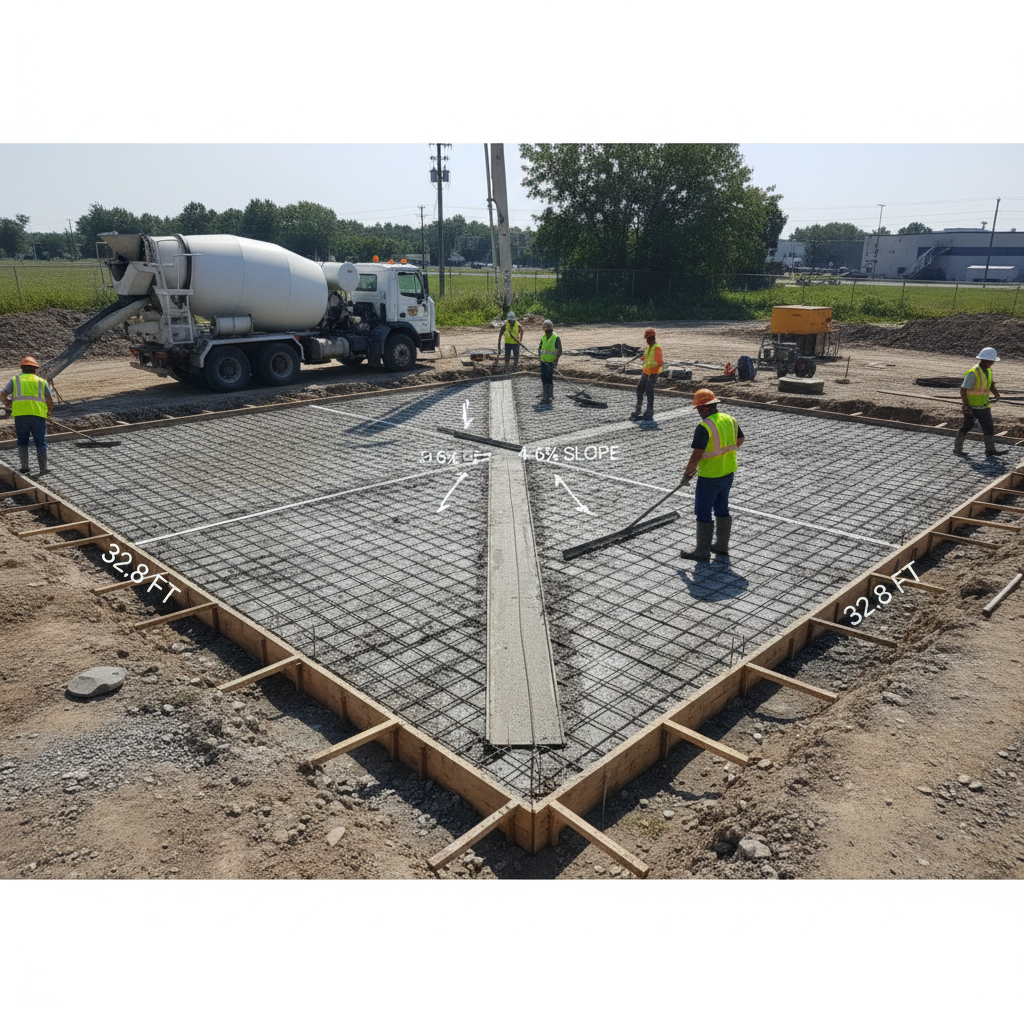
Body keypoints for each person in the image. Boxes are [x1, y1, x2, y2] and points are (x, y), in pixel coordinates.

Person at [680, 389, 744, 562]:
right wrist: (726, 453)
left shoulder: (704, 427)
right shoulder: (730, 419)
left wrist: (687, 474)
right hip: (728, 472)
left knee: (703, 511)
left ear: (704, 408)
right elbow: (740, 440)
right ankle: (721, 546)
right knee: (722, 508)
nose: (699, 412)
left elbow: (696, 455)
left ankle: (702, 552)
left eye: (700, 409)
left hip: (710, 477)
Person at [2, 356, 55, 477]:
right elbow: (50, 401)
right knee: (40, 442)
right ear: (35, 369)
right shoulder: (41, 382)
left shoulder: (15, 380)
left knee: (22, 441)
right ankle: (43, 469)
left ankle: (24, 467)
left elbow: (3, 394)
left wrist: (7, 404)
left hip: (21, 417)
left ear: (22, 369)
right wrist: (49, 414)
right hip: (38, 417)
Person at [955, 346, 1006, 457]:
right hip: (972, 407)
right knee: (967, 426)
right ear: (985, 360)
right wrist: (966, 405)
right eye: (991, 361)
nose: (992, 363)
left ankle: (990, 450)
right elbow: (963, 389)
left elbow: (990, 385)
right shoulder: (973, 373)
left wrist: (997, 395)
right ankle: (957, 449)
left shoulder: (988, 370)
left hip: (984, 406)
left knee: (989, 428)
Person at [630, 328, 663, 421]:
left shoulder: (657, 348)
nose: (647, 341)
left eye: (648, 339)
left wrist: (651, 368)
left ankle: (649, 411)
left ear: (652, 338)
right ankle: (638, 410)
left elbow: (659, 362)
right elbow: (648, 358)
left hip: (653, 374)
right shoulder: (649, 347)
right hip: (646, 372)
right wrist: (642, 357)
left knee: (649, 391)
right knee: (639, 389)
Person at [538, 319, 561, 403]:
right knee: (543, 378)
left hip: (550, 362)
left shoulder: (556, 338)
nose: (547, 331)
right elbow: (540, 348)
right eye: (545, 329)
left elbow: (559, 351)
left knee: (549, 378)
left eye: (548, 329)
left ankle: (550, 395)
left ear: (551, 329)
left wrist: (555, 361)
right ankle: (545, 393)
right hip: (543, 361)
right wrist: (539, 357)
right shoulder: (543, 337)